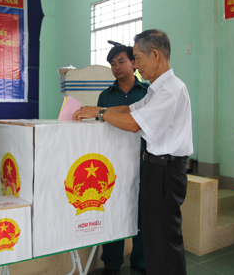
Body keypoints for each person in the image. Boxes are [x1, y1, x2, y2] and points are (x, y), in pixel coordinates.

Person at [73, 29, 192, 275]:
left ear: (156, 55)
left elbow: (135, 123)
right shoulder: (156, 89)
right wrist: (98, 107)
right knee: (153, 238)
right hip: (155, 167)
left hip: (166, 171)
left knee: (164, 239)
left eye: (137, 58)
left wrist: (101, 114)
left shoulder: (171, 89)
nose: (135, 65)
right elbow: (130, 110)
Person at [98, 44, 148, 275]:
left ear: (133, 62)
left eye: (120, 61)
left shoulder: (148, 92)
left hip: (144, 161)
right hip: (113, 164)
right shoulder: (105, 95)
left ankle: (140, 260)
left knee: (142, 213)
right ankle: (111, 263)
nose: (116, 67)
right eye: (112, 63)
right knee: (113, 211)